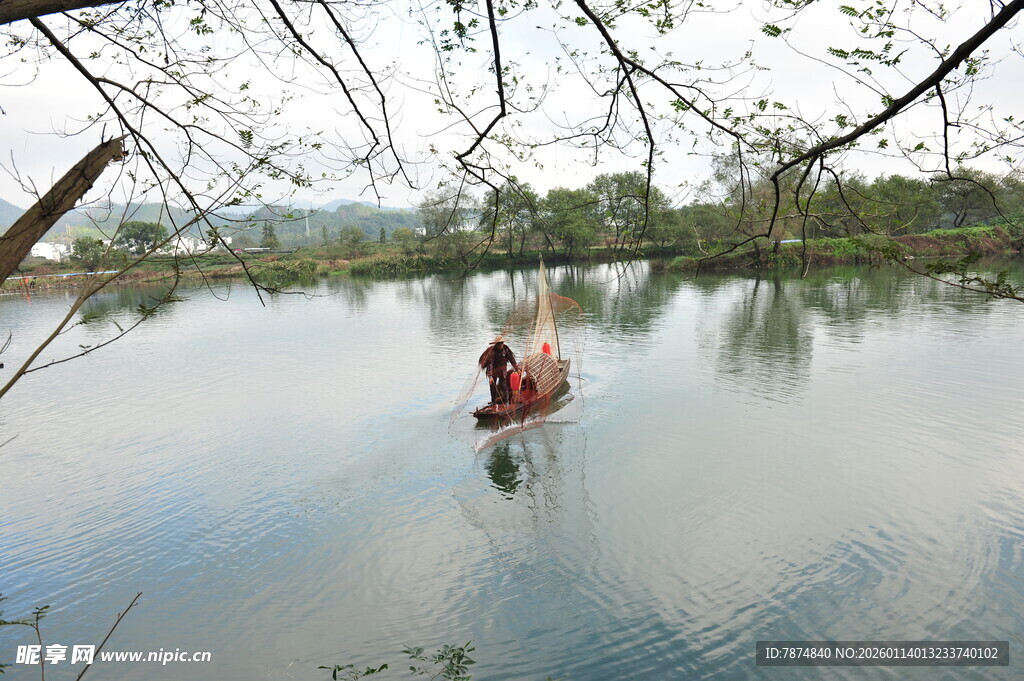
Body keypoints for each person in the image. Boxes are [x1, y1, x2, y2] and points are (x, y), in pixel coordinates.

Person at [478, 335, 519, 405]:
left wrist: (517, 369)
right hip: (493, 371)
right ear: (496, 344)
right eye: (499, 343)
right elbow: (490, 364)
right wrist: (490, 376)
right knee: (492, 386)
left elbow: (512, 360)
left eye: (502, 343)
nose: (501, 345)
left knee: (503, 385)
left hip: (502, 371)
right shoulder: (492, 352)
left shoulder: (505, 350)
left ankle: (506, 401)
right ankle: (493, 401)